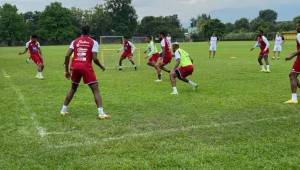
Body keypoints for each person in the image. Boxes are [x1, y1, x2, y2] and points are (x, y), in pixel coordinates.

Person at [60, 25, 110, 120]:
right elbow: (94, 59)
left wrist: (66, 70)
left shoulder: (75, 41)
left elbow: (67, 55)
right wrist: (101, 66)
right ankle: (101, 113)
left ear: (81, 32)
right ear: (89, 32)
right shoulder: (93, 42)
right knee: (95, 89)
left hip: (75, 67)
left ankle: (63, 110)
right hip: (86, 67)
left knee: (73, 88)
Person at [284, 23, 300, 104]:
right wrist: (292, 53)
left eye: (297, 26)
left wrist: (291, 56)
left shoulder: (299, 35)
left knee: (292, 75)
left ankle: (294, 99)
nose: (296, 27)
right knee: (293, 75)